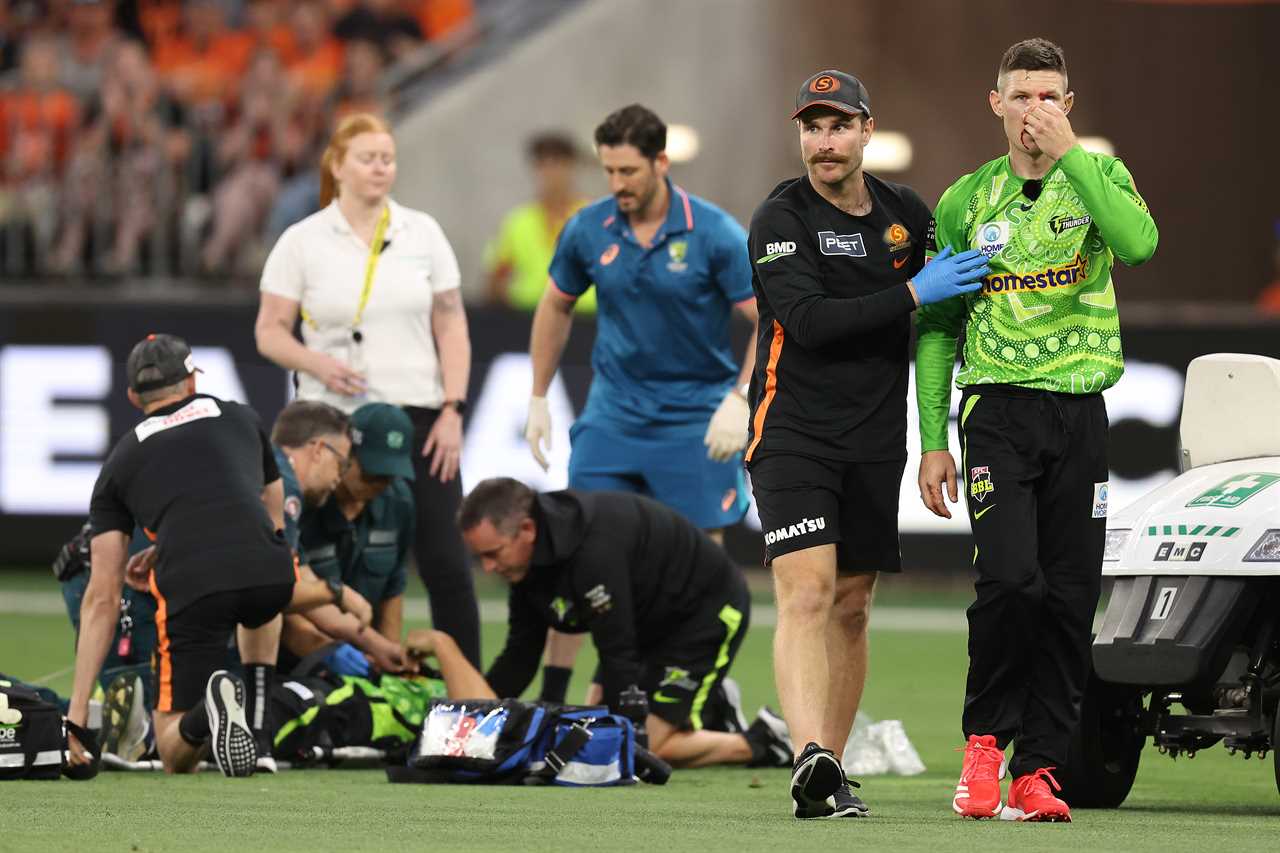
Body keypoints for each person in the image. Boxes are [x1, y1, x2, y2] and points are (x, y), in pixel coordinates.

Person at [915, 39, 1158, 823]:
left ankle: (1038, 769)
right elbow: (937, 325)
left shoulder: (1100, 178)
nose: (1034, 112)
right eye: (1020, 96)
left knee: (1069, 595)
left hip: (1081, 411)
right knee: (1012, 581)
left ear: (1069, 104)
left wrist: (1075, 158)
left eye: (1049, 97)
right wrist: (932, 438)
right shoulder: (964, 201)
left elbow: (1140, 244)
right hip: (998, 411)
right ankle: (984, 744)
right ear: (995, 103)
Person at [744, 70, 990, 819]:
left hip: (874, 441)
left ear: (865, 130)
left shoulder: (905, 215)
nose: (824, 141)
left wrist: (936, 435)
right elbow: (812, 322)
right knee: (809, 592)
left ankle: (831, 768)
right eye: (812, 127)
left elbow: (944, 324)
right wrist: (917, 290)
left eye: (838, 125)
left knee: (852, 605)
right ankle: (808, 755)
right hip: (792, 432)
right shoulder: (779, 217)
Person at [524, 105, 758, 703]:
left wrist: (740, 397)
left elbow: (770, 318)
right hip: (614, 415)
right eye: (608, 171)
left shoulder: (714, 233)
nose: (617, 185)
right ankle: (555, 695)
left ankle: (698, 690)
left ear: (660, 162)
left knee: (702, 558)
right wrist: (537, 395)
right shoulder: (588, 229)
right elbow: (554, 305)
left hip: (695, 420)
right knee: (572, 547)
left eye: (628, 171)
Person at [255, 112, 482, 668]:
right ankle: (296, 676)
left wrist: (453, 406)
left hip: (416, 414)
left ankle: (475, 696)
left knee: (445, 557)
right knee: (303, 552)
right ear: (337, 164)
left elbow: (451, 323)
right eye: (368, 157)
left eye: (388, 158)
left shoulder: (421, 232)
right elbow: (269, 332)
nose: (381, 168)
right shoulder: (302, 240)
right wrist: (317, 363)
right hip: (331, 420)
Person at [65, 334, 349, 777]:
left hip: (194, 586)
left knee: (175, 752)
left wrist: (78, 718)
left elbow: (102, 597)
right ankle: (258, 732)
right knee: (263, 582)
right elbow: (270, 518)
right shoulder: (239, 415)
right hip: (268, 575)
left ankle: (205, 716)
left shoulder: (118, 461)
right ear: (192, 381)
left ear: (133, 397)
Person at [458, 477, 793, 771]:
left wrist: (627, 736)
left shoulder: (592, 553)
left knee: (638, 745)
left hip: (703, 611)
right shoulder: (529, 559)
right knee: (592, 728)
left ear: (527, 530)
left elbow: (617, 652)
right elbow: (520, 654)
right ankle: (712, 712)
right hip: (640, 620)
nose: (487, 567)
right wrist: (472, 723)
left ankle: (765, 740)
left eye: (493, 553)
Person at [297, 403, 417, 661]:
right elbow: (283, 601)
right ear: (345, 453)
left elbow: (393, 588)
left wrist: (389, 654)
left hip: (367, 653)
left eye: (390, 475)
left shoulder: (399, 503)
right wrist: (326, 655)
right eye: (372, 472)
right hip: (299, 656)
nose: (380, 484)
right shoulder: (302, 503)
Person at [484, 132, 593, 313]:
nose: (551, 173)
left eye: (558, 164)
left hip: (585, 318)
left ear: (572, 167)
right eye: (544, 164)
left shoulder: (594, 217)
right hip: (530, 317)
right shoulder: (518, 221)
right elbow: (496, 278)